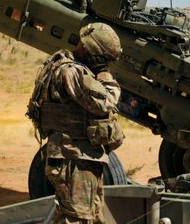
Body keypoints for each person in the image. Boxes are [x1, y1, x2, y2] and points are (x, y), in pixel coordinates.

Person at [27, 23, 124, 224]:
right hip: (74, 158)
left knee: (92, 216)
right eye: (103, 59)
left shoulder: (64, 66)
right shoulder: (72, 72)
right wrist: (106, 76)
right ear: (92, 52)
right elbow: (106, 101)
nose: (104, 63)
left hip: (79, 155)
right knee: (77, 218)